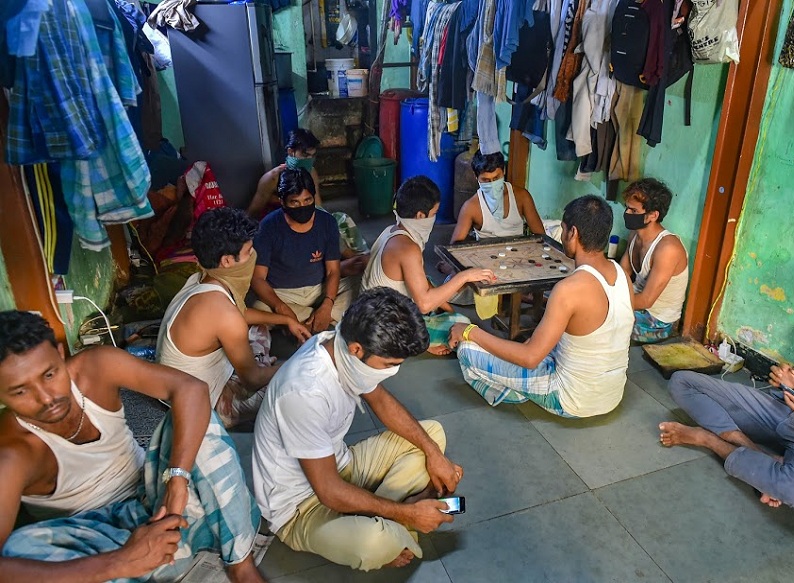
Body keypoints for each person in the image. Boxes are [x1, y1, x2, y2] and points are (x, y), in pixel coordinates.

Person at [0, 311, 264, 582]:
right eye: (20, 391)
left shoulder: (95, 367)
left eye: (49, 374)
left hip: (165, 508)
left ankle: (241, 566)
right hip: (103, 545)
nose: (46, 398)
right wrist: (121, 562)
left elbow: (190, 389)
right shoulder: (11, 453)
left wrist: (177, 480)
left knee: (195, 418)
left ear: (58, 352)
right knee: (21, 547)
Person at [252, 288, 463, 572]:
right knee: (373, 543)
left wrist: (433, 453)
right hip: (301, 506)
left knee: (432, 436)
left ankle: (389, 517)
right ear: (356, 350)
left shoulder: (339, 346)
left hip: (343, 465)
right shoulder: (304, 391)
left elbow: (381, 401)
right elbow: (327, 491)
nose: (393, 371)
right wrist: (407, 514)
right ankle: (394, 520)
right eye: (389, 364)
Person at [659, 261, 794, 507]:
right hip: (786, 408)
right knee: (682, 381)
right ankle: (752, 451)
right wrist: (792, 378)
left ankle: (708, 440)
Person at [448, 195, 635, 418]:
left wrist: (469, 332)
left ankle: (517, 390)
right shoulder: (623, 275)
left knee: (468, 350)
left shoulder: (569, 289)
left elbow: (530, 358)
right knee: (532, 344)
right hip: (611, 395)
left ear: (572, 233)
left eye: (563, 230)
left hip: (571, 400)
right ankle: (519, 381)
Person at [157, 208, 303, 428]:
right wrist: (300, 362)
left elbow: (239, 312)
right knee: (297, 380)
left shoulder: (201, 279)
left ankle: (260, 362)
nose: (253, 256)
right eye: (249, 251)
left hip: (185, 381)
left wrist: (285, 320)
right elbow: (252, 379)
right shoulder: (223, 313)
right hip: (201, 404)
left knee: (260, 327)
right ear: (226, 261)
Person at [361, 176, 496, 355]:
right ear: (420, 216)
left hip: (370, 311)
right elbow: (424, 305)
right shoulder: (408, 249)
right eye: (434, 213)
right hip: (381, 329)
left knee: (433, 287)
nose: (434, 218)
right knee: (462, 326)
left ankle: (423, 335)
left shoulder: (392, 231)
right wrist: (465, 276)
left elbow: (423, 281)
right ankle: (421, 343)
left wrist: (447, 309)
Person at [246, 129, 369, 278]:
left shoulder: (310, 173)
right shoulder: (272, 179)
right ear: (291, 152)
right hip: (284, 224)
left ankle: (361, 257)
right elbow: (253, 213)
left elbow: (318, 208)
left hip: (308, 220)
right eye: (305, 155)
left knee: (340, 220)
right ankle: (351, 261)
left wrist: (327, 227)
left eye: (312, 156)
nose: (309, 160)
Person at [251, 167, 355, 336]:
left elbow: (333, 271)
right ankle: (320, 320)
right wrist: (281, 307)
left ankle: (303, 322)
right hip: (283, 294)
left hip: (319, 290)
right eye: (295, 202)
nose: (303, 207)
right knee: (258, 309)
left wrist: (327, 304)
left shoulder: (327, 223)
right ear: (283, 202)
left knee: (362, 282)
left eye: (307, 200)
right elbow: (258, 278)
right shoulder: (268, 226)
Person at [619, 178, 689, 343]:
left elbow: (645, 300)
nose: (627, 214)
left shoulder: (668, 249)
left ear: (653, 215)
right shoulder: (635, 235)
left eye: (633, 211)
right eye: (626, 208)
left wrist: (608, 301)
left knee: (597, 321)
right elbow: (621, 274)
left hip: (658, 320)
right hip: (635, 303)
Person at [450, 150, 546, 243]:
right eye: (486, 180)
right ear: (476, 177)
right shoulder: (471, 207)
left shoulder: (522, 197)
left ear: (503, 171)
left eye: (496, 178)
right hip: (486, 256)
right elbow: (455, 245)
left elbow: (541, 236)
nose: (492, 184)